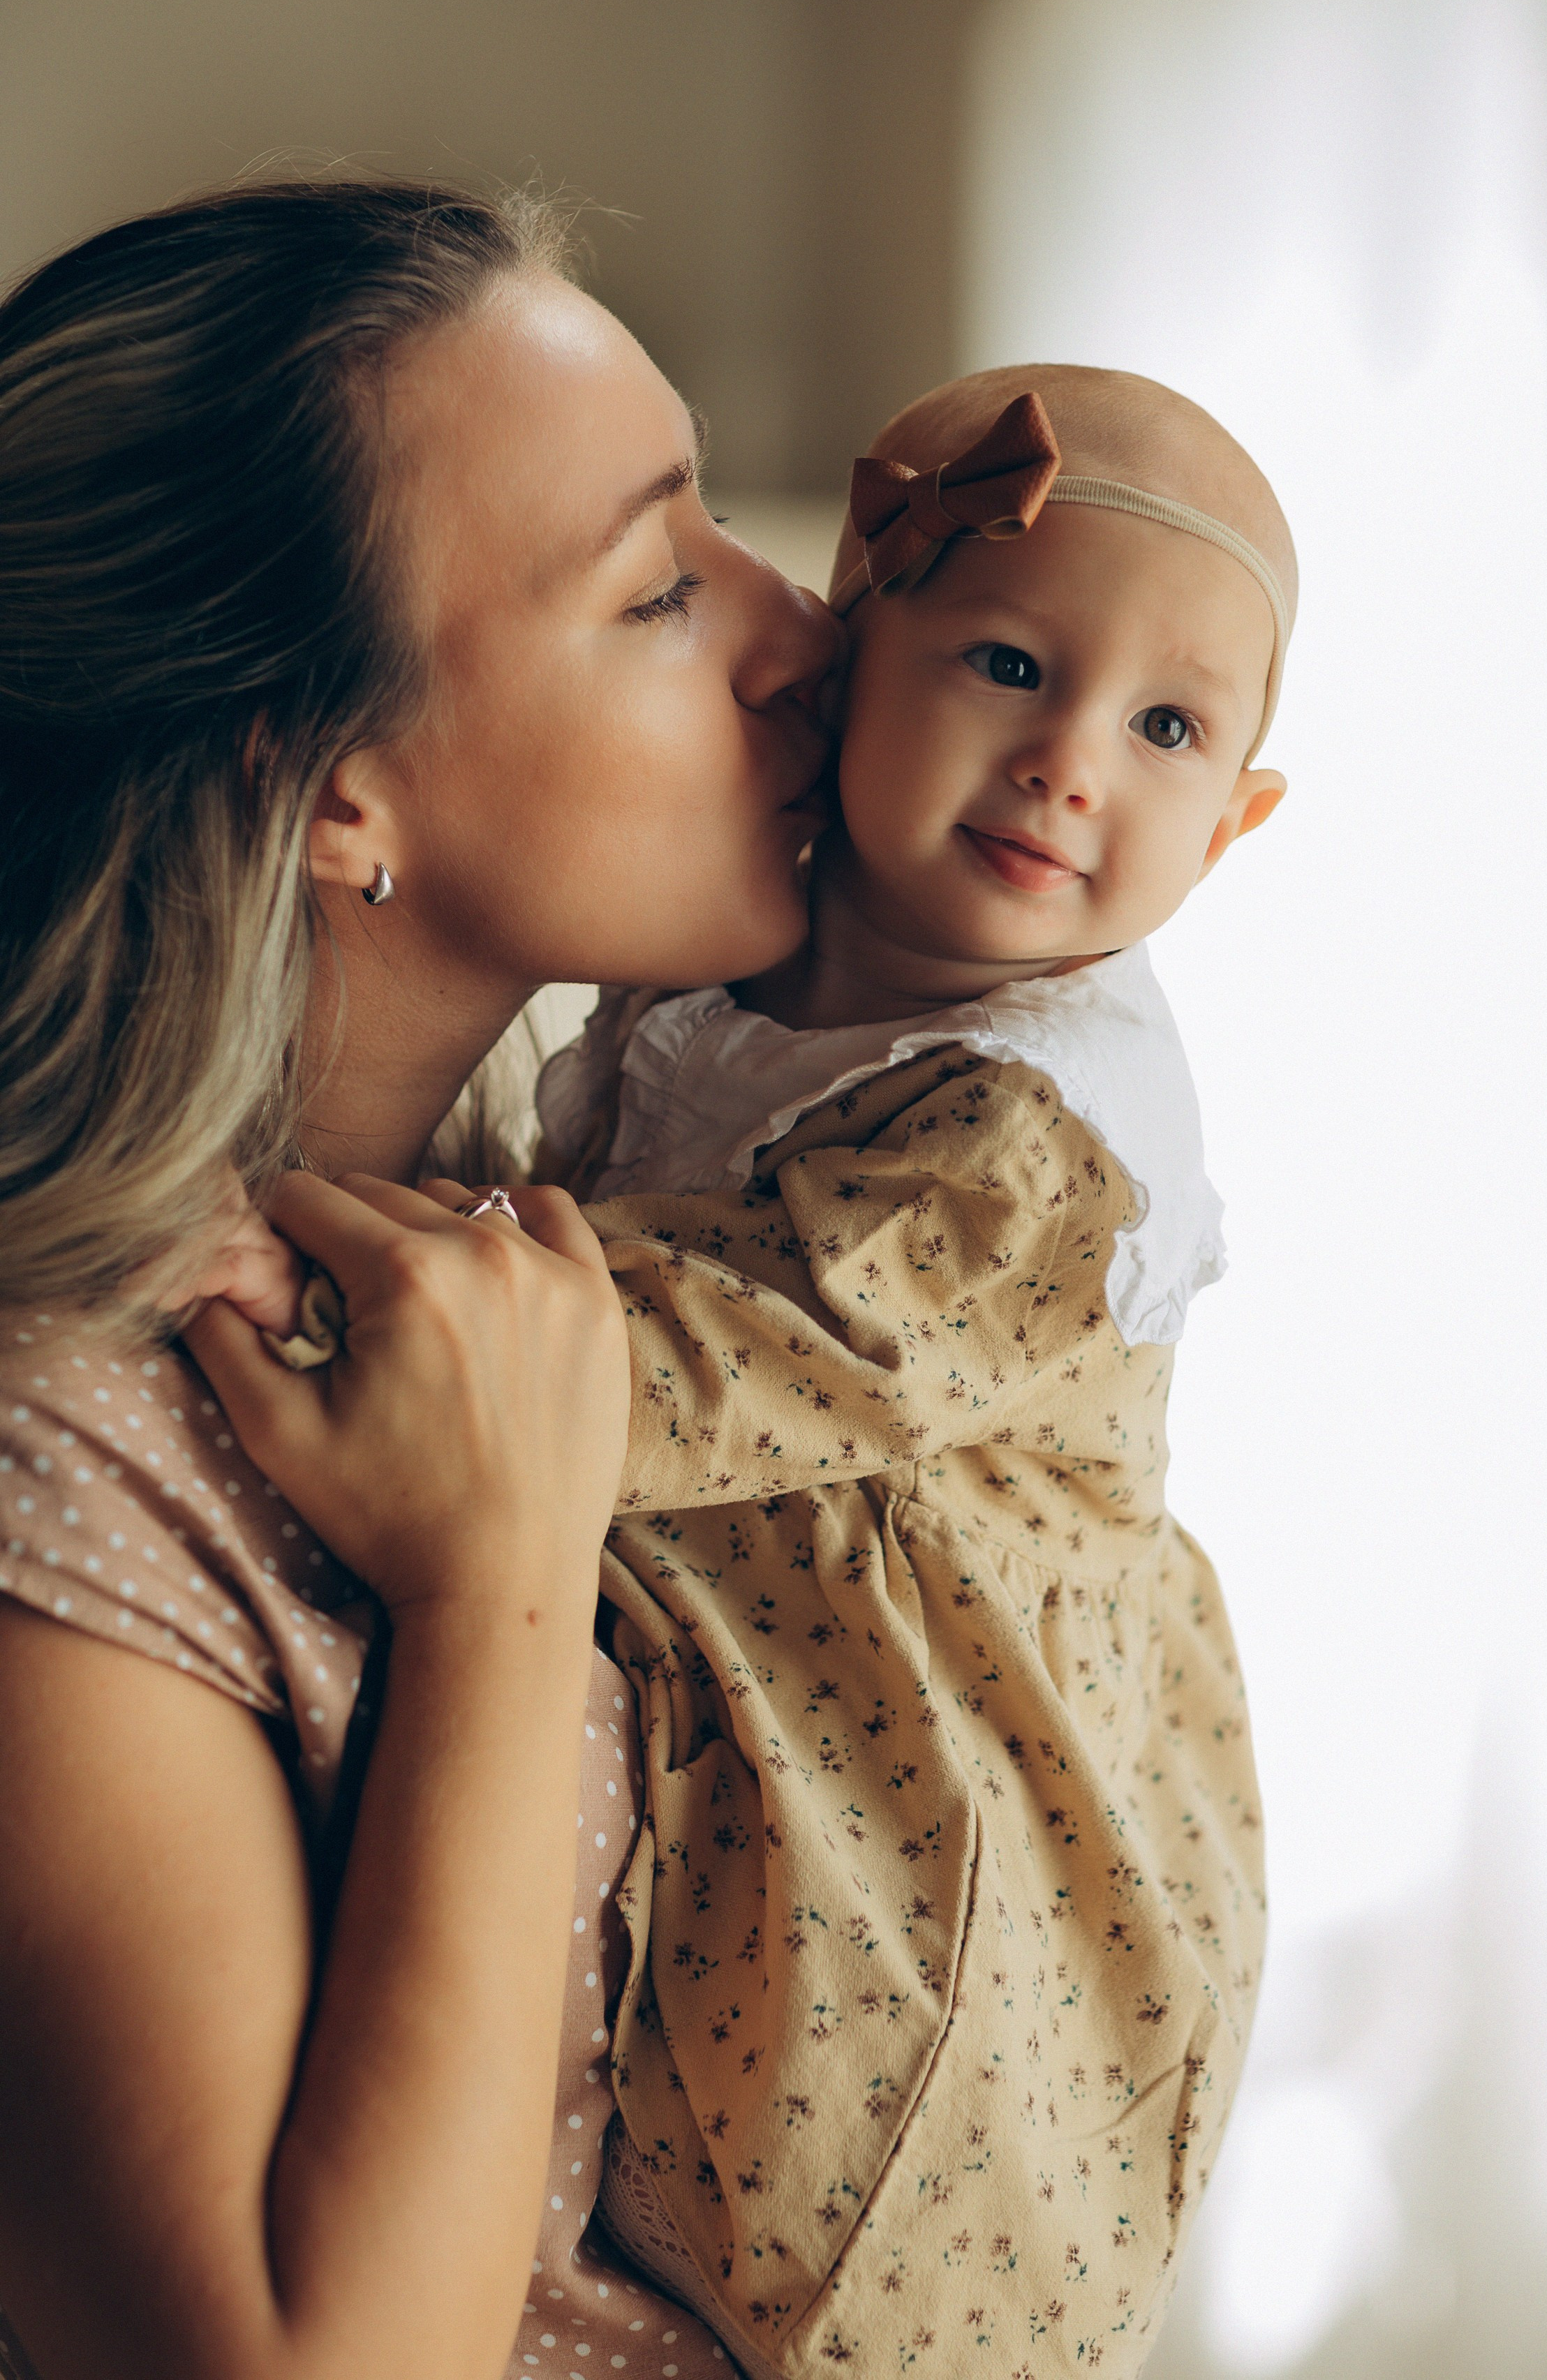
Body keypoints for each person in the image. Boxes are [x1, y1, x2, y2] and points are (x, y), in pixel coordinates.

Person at [0, 174, 836, 2380]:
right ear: (334, 793)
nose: (805, 629)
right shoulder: (59, 1453)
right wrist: (494, 1597)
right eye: (661, 587)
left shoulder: (543, 1221)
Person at [503, 371, 1291, 2377]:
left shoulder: (1042, 1129)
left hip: (943, 1743)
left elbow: (702, 1356)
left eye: (1167, 729)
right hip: (748, 1630)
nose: (1067, 763)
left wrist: (394, 1276)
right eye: (1010, 663)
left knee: (862, 2195)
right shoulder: (753, 928)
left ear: (1235, 826)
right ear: (848, 668)